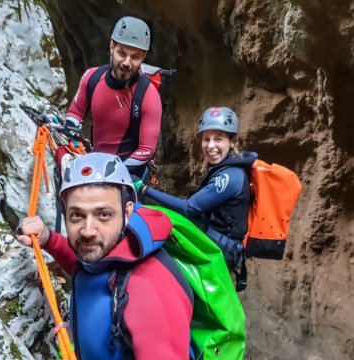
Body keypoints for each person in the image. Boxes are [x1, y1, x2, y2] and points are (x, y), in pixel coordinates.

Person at [17, 152, 193, 359]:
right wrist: (49, 240)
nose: (88, 230)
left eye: (103, 215)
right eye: (77, 215)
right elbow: (91, 268)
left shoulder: (151, 290)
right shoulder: (110, 253)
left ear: (127, 213)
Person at [132, 107, 258, 273]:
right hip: (215, 241)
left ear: (232, 141)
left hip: (221, 251)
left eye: (218, 139)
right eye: (206, 139)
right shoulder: (224, 167)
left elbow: (189, 208)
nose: (211, 146)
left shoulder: (230, 176)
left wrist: (144, 189)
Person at [63, 16, 162, 179]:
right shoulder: (92, 77)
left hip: (129, 171)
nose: (127, 62)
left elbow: (146, 150)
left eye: (135, 57)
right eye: (122, 53)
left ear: (143, 58)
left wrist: (114, 171)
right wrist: (71, 135)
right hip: (94, 162)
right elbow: (75, 113)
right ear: (111, 47)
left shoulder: (148, 95)